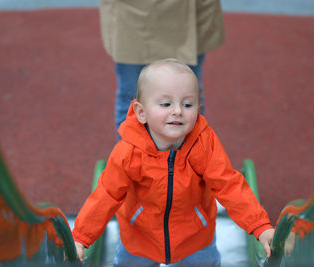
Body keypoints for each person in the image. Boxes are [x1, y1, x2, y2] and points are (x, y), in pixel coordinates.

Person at [72, 58, 275, 266]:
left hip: (195, 237)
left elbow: (228, 185)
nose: (177, 110)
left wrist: (260, 226)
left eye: (187, 104)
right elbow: (107, 194)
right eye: (166, 104)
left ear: (198, 108)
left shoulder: (203, 144)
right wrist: (81, 237)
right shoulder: (129, 151)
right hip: (139, 238)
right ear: (141, 112)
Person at [98, 0, 225, 132]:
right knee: (133, 98)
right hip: (133, 11)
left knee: (189, 96)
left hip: (186, 11)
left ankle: (191, 152)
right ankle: (132, 152)